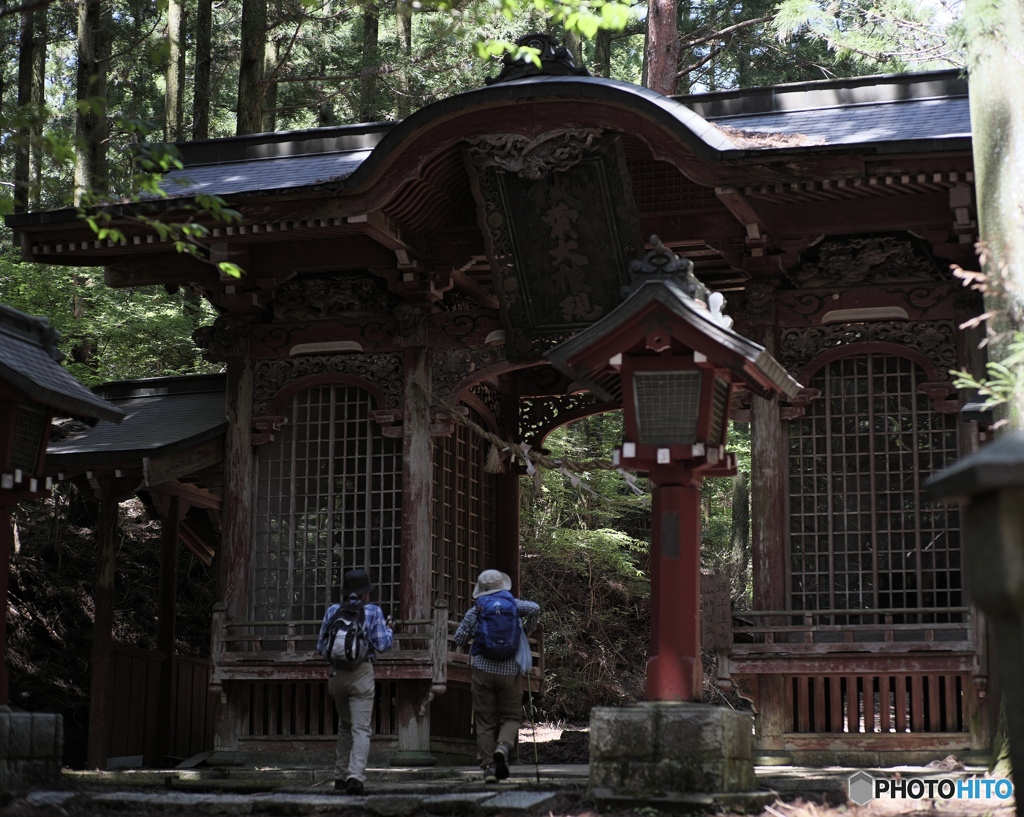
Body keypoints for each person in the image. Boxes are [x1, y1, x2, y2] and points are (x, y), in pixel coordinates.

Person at [453, 569, 540, 783]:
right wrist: (525, 631)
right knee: (511, 717)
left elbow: (459, 637)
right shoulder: (515, 605)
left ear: (481, 590)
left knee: (484, 720)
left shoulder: (477, 610)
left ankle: (488, 769)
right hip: (510, 671)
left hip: (483, 669)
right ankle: (503, 746)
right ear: (502, 586)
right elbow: (535, 608)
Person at [316, 569, 393, 795]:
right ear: (365, 594)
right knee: (361, 727)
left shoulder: (332, 611)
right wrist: (390, 628)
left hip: (336, 675)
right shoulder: (373, 612)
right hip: (361, 672)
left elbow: (321, 648)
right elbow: (383, 645)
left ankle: (340, 776)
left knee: (345, 725)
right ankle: (355, 776)